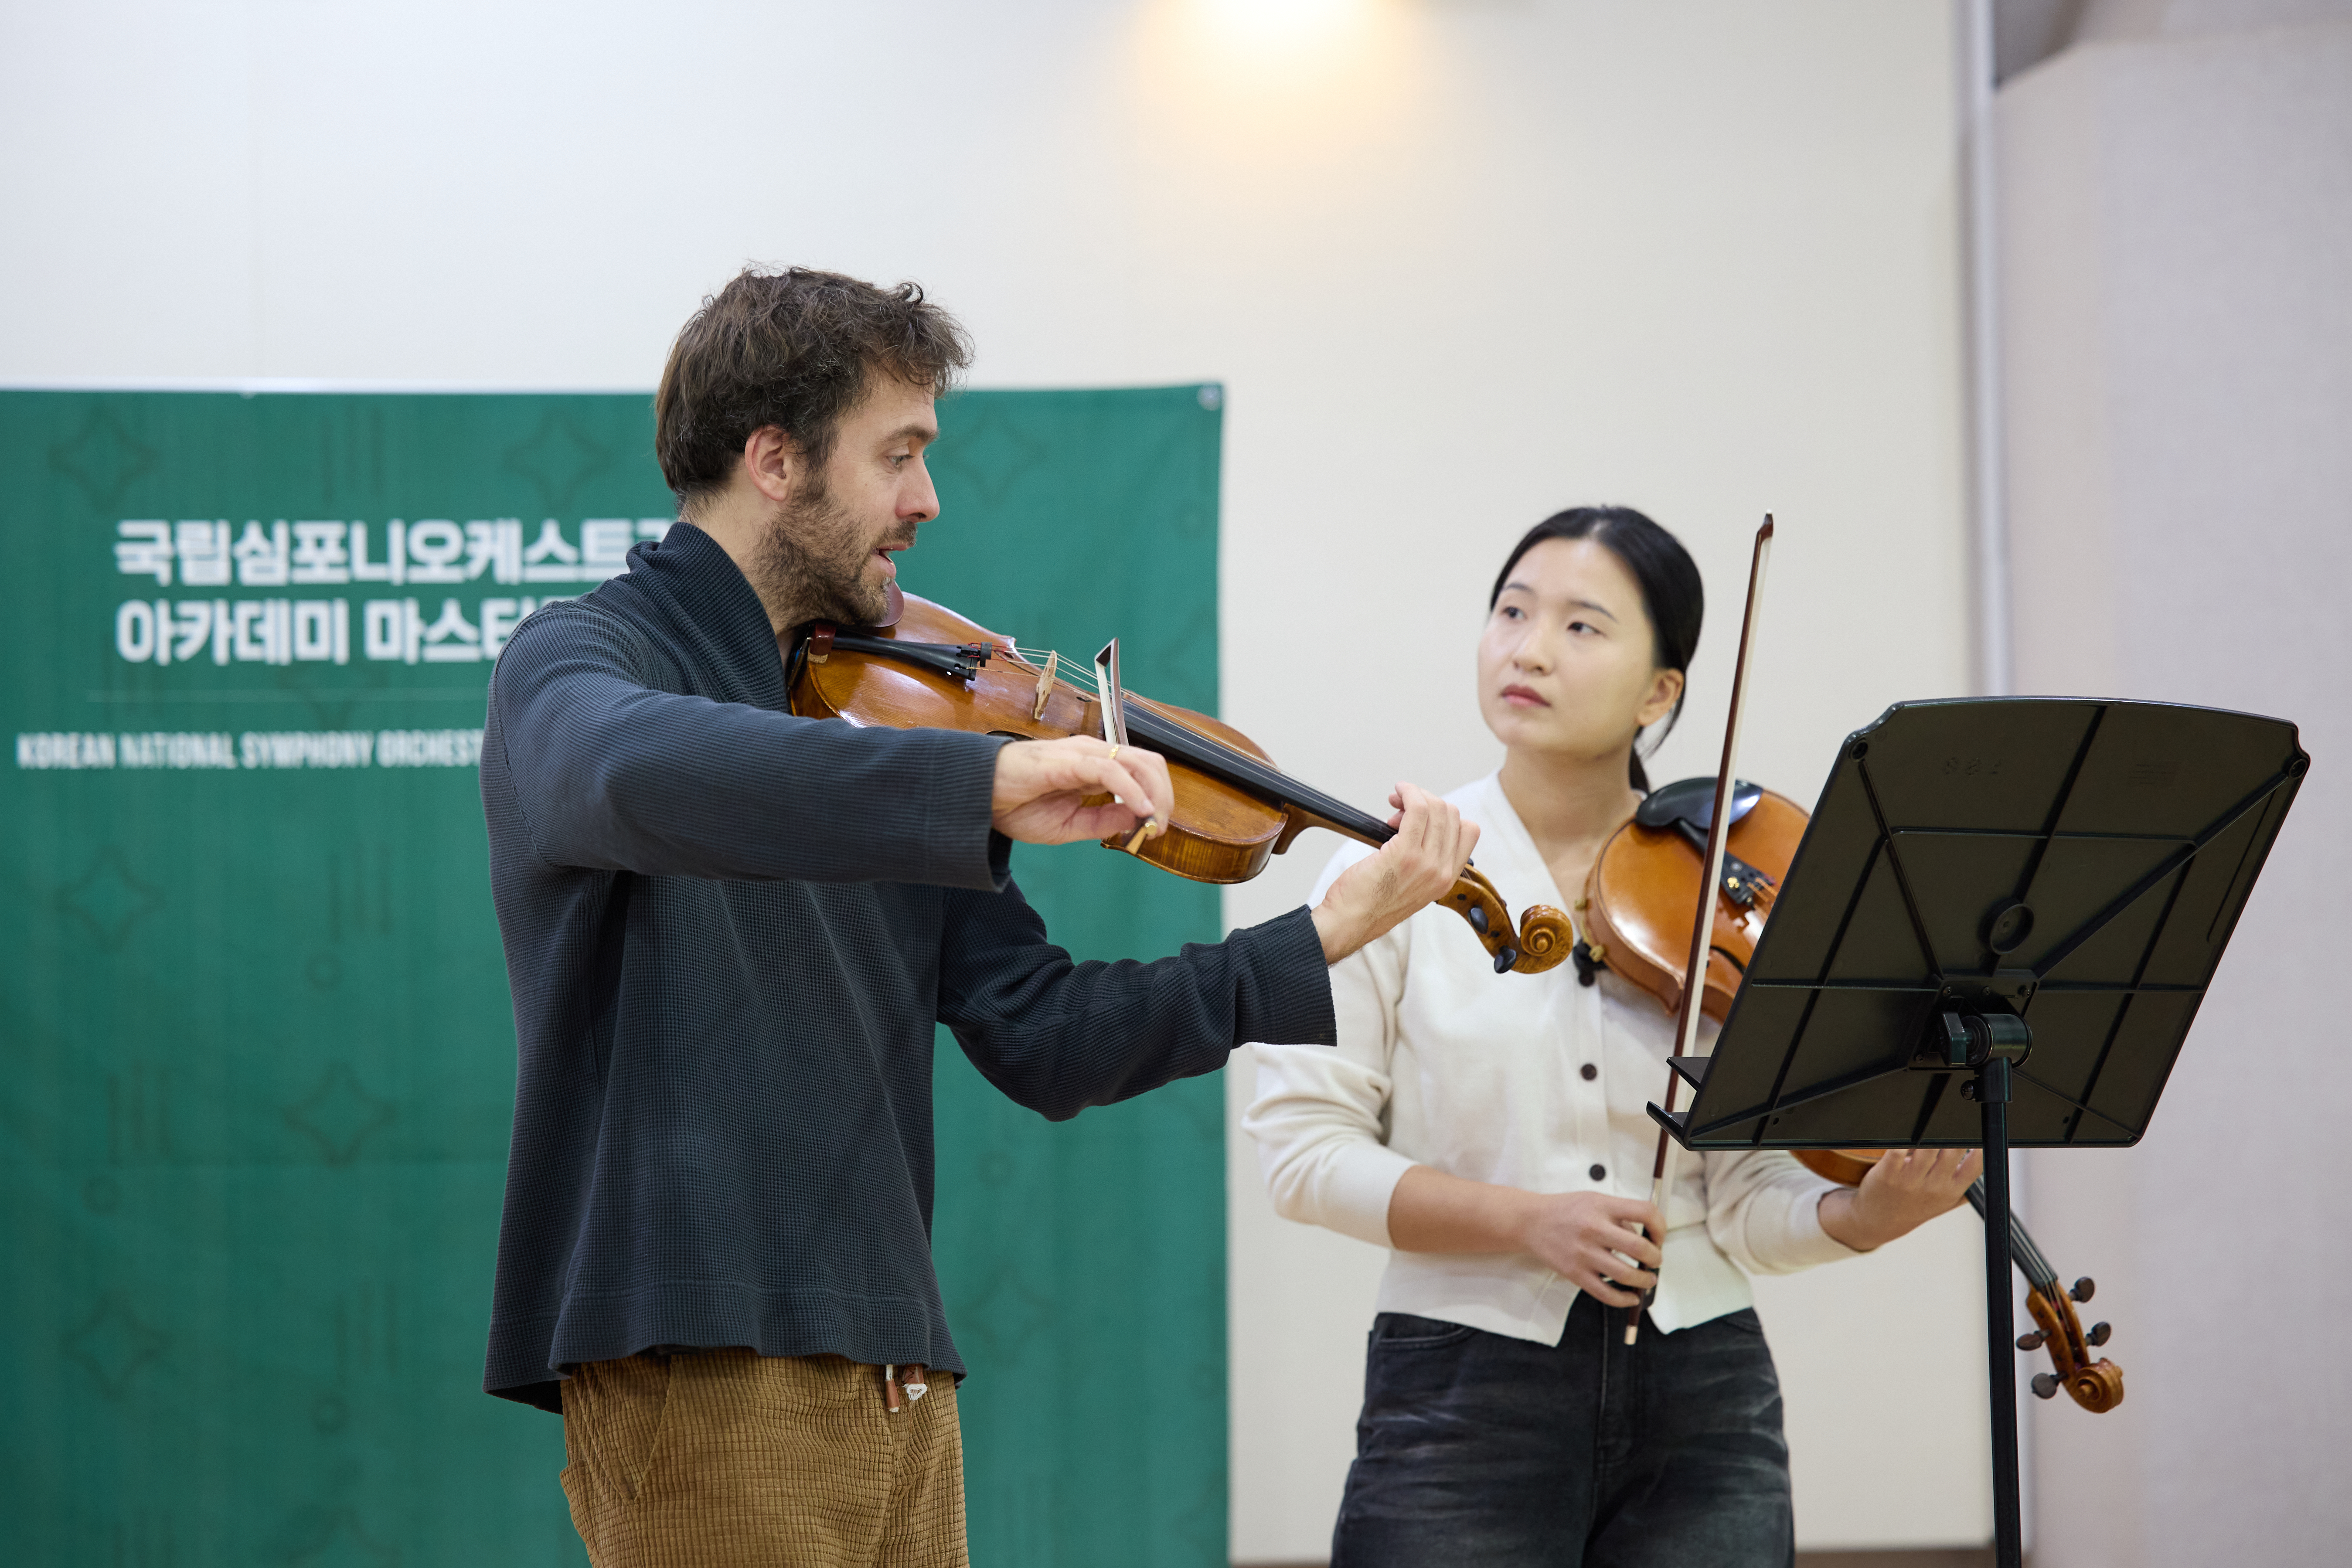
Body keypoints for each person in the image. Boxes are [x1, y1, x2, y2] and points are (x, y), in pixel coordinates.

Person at [478, 266, 1478, 1568]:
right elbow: (624, 772)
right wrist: (982, 779)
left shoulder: (876, 712)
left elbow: (1048, 1035)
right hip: (702, 1345)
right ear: (774, 459)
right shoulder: (579, 660)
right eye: (897, 455)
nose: (925, 501)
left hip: (897, 1366)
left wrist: (1320, 936)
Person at [1244, 507, 1982, 1568]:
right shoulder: (1392, 876)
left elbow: (1738, 1205)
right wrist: (1526, 1220)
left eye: (1582, 626)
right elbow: (1304, 1158)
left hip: (1708, 1399)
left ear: (1660, 692)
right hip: (1460, 1394)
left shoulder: (1732, 902)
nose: (1529, 647)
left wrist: (1865, 1211)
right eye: (1511, 611)